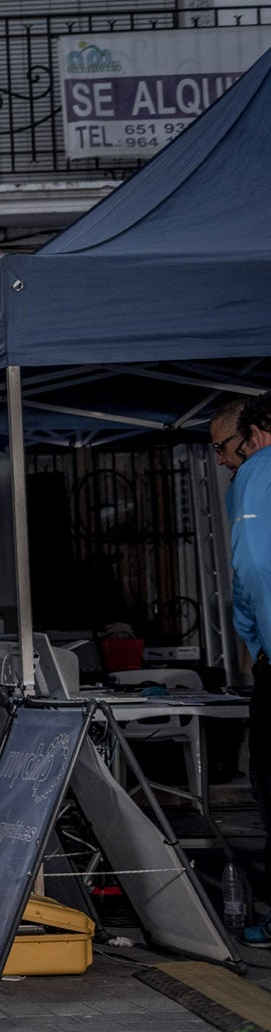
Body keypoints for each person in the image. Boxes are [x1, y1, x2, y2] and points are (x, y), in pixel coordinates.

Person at [221, 397, 271, 944]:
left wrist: (259, 644)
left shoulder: (257, 473)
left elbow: (251, 566)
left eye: (221, 447)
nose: (219, 460)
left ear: (255, 433)